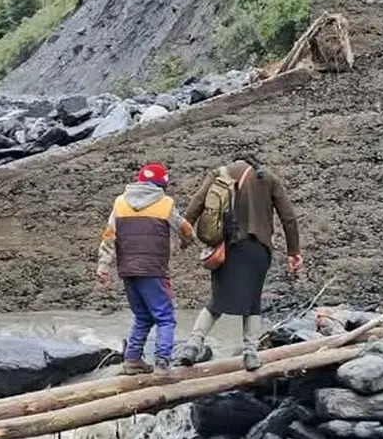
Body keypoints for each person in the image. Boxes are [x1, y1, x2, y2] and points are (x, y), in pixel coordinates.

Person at [180, 155, 302, 370]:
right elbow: (288, 217)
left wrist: (186, 235)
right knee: (253, 303)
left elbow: (196, 204)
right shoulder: (268, 178)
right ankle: (250, 353)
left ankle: (192, 345)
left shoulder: (220, 173)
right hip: (258, 249)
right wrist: (294, 251)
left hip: (227, 248)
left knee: (216, 301)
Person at [97, 162, 195, 374]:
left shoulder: (120, 203)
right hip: (154, 270)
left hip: (128, 270)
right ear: (162, 184)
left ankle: (132, 359)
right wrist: (188, 241)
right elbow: (185, 229)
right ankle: (162, 362)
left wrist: (103, 266)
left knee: (142, 316)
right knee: (165, 317)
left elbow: (109, 236)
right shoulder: (165, 203)